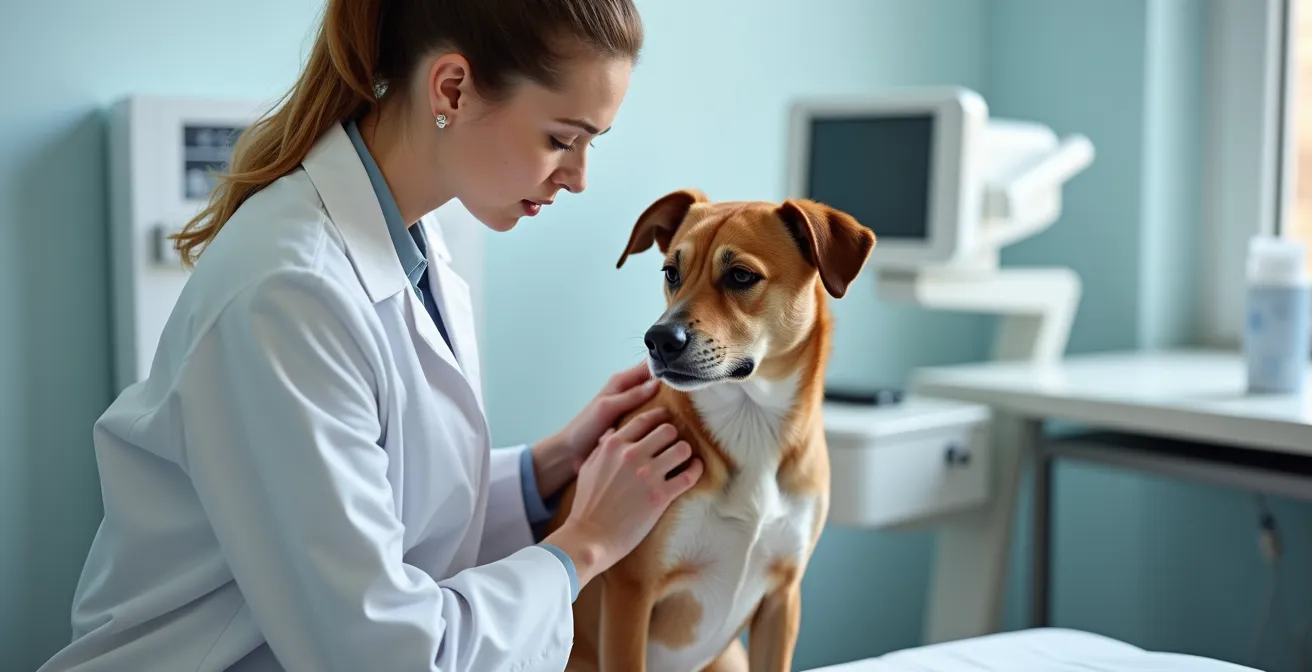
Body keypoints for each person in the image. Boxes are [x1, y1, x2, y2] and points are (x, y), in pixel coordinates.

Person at [37, 1, 702, 670]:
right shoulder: (289, 293)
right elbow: (381, 651)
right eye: (561, 139)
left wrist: (545, 467)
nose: (578, 178)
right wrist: (583, 546)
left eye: (591, 143)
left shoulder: (410, 244)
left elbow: (382, 513)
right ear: (452, 89)